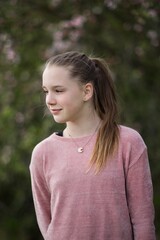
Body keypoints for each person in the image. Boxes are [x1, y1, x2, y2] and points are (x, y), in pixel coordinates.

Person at [29, 51, 156, 240]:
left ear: (87, 91)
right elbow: (47, 224)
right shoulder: (43, 153)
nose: (49, 100)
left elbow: (144, 221)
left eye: (58, 90)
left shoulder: (128, 142)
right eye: (46, 91)